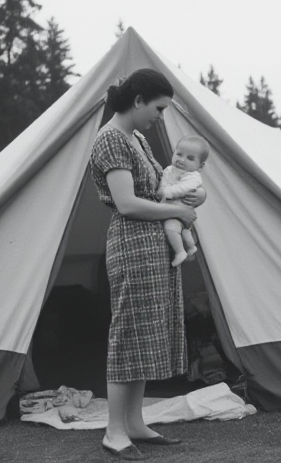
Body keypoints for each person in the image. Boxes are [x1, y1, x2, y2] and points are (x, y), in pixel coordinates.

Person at [89, 68, 205, 461]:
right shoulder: (111, 141)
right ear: (138, 101)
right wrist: (176, 212)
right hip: (132, 245)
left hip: (152, 246)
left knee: (143, 335)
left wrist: (189, 199)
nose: (160, 116)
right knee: (127, 334)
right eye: (158, 108)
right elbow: (126, 203)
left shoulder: (136, 138)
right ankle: (114, 431)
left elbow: (159, 186)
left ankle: (135, 422)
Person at [159, 135, 210, 267]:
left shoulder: (193, 176)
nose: (182, 160)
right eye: (179, 154)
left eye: (190, 158)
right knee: (184, 231)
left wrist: (165, 193)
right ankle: (191, 247)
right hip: (173, 209)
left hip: (177, 211)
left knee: (170, 227)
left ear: (200, 165)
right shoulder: (170, 170)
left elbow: (183, 188)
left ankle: (180, 251)